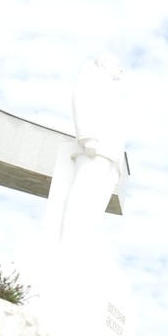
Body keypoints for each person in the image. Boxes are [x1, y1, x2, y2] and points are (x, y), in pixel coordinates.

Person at [58, 53, 125, 246]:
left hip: (109, 151)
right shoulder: (93, 78)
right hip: (96, 145)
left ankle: (82, 240)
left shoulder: (111, 88)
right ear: (105, 63)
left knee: (95, 200)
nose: (121, 69)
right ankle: (67, 241)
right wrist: (88, 137)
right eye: (118, 64)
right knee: (82, 191)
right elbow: (80, 101)